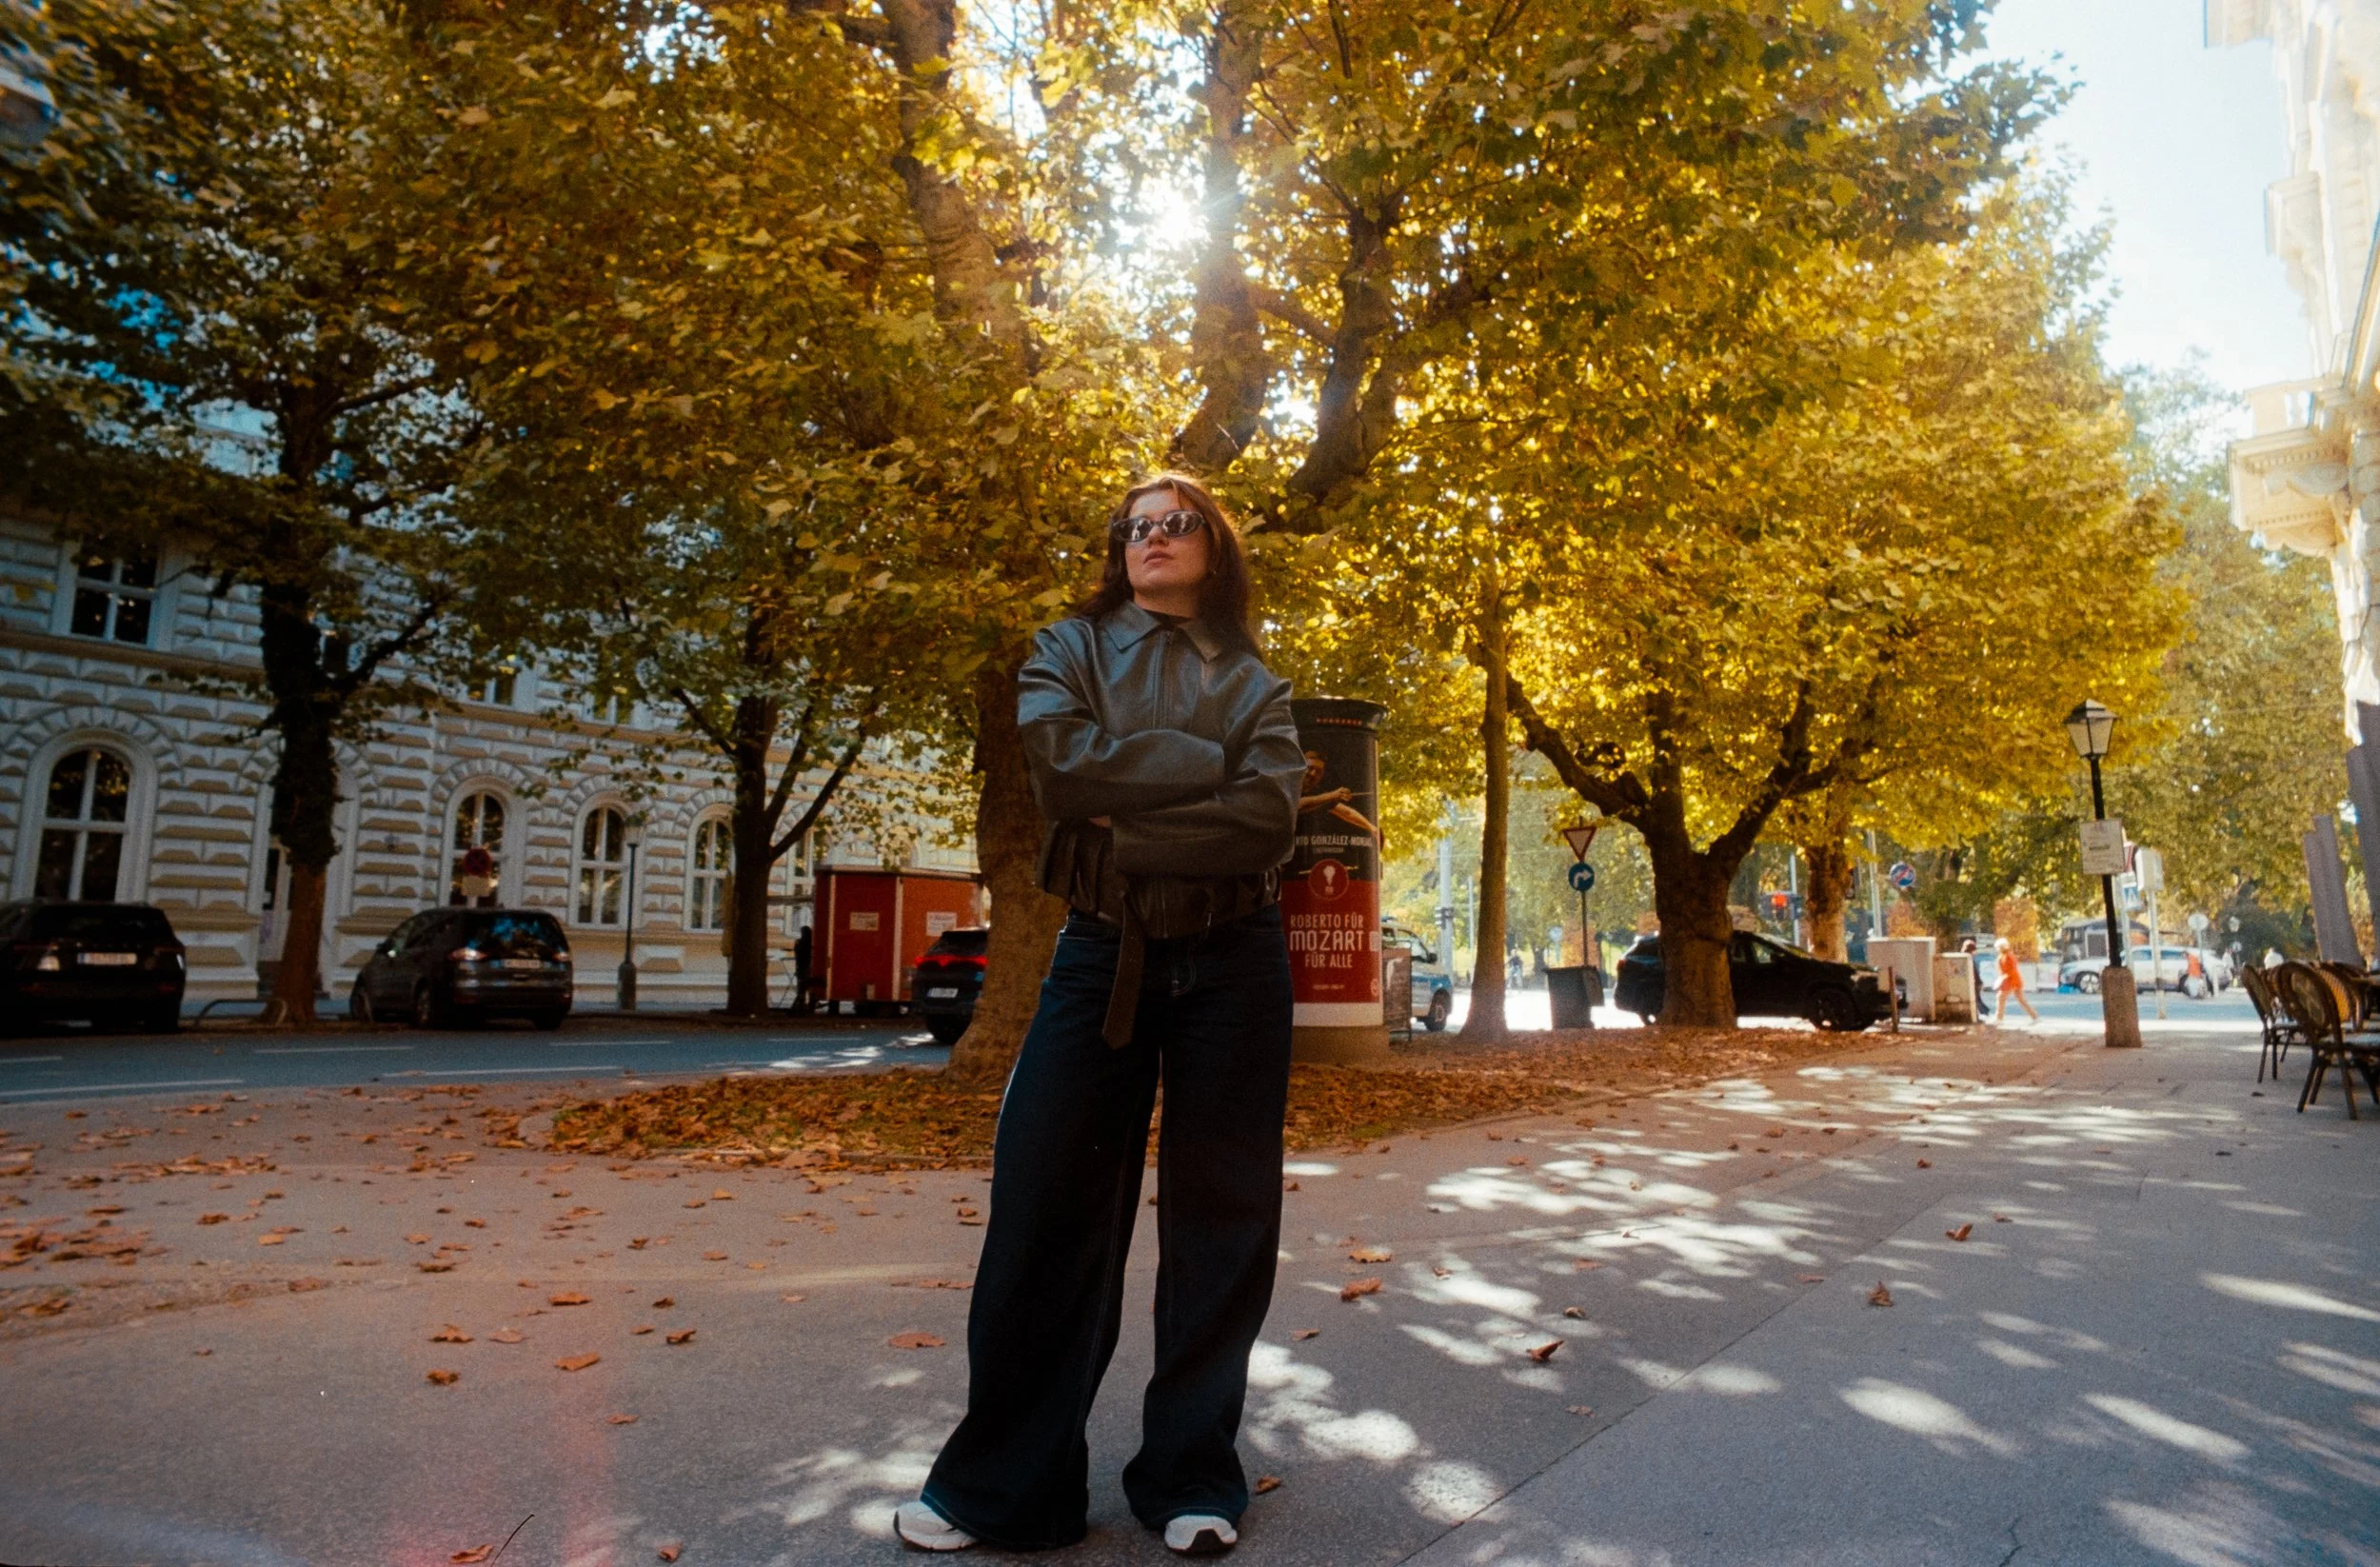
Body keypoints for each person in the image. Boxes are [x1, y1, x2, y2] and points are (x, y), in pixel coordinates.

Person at [896, 473, 1303, 1558]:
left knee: (1223, 1221)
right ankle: (1007, 1488)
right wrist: (1197, 775)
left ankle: (1191, 1475)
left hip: (1236, 958)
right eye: (1136, 526)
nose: (1153, 538)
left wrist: (1128, 824)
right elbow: (1066, 776)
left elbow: (1265, 823)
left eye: (1176, 522)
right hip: (1098, 953)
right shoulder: (1065, 648)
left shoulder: (1256, 677)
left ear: (1214, 546)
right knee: (1046, 1204)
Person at [1993, 937, 2038, 1025]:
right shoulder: (2005, 956)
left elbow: (2012, 970)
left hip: (2011, 981)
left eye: (1999, 947)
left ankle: (1999, 1019)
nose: (1998, 949)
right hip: (2012, 981)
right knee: (2021, 1000)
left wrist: (2005, 979)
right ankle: (2035, 1017)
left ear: (2002, 947)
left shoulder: (2008, 956)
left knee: (2001, 998)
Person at [792, 923, 814, 1015]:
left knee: (801, 988)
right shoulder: (811, 942)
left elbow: (797, 952)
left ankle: (800, 1006)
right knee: (810, 988)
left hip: (801, 967)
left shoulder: (799, 942)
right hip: (809, 967)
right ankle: (810, 1006)